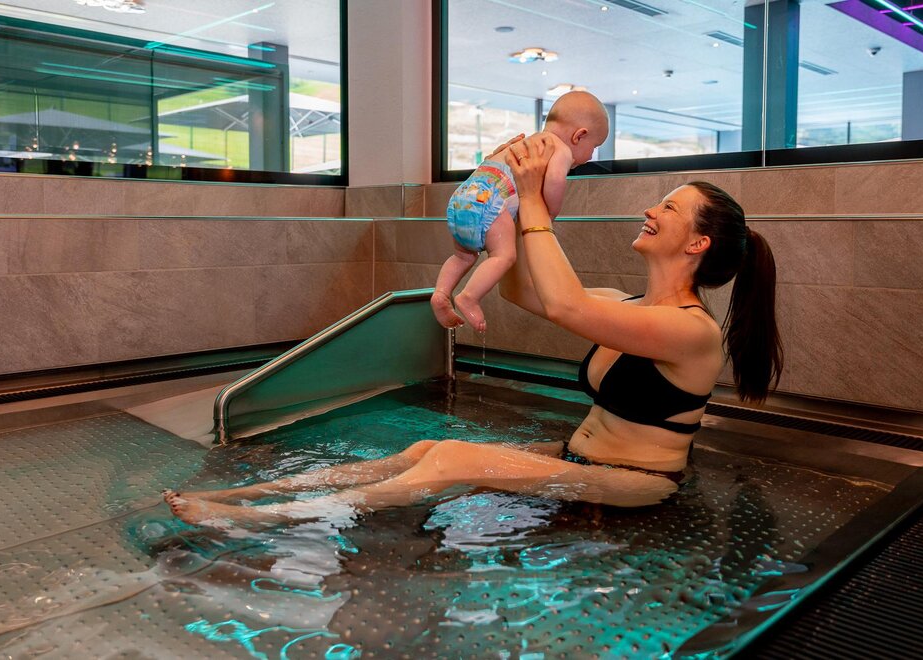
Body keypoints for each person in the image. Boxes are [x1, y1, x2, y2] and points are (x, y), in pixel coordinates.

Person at [165, 134, 783, 529]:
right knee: (424, 450)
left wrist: (536, 200)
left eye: (669, 207)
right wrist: (498, 212)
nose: (651, 209)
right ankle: (255, 493)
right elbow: (524, 290)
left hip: (637, 483)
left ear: (698, 244)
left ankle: (268, 520)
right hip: (576, 457)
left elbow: (565, 305)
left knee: (454, 457)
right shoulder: (622, 305)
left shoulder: (691, 332)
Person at [430, 91, 610, 332]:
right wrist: (551, 212)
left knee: (463, 256)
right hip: (490, 202)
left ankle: (441, 293)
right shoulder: (559, 149)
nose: (590, 156)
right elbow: (555, 180)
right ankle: (469, 296)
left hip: (462, 197)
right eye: (594, 147)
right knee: (503, 256)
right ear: (579, 135)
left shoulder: (521, 143)